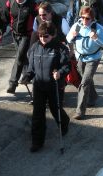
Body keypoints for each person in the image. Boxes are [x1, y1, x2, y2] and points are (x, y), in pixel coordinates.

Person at [20, 22, 71, 152]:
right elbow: (31, 68)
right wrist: (27, 77)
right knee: (38, 113)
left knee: (55, 109)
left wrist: (60, 73)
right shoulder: (34, 48)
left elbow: (67, 66)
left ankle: (64, 123)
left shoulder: (60, 48)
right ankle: (37, 141)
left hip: (54, 85)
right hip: (39, 85)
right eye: (41, 35)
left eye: (46, 36)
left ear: (52, 35)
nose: (43, 38)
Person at [66, 6, 103, 119]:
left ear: (92, 19)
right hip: (80, 58)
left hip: (93, 59)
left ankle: (80, 111)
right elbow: (68, 39)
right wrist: (72, 36)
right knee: (85, 79)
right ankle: (93, 96)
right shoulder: (77, 26)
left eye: (88, 18)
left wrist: (96, 38)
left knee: (84, 83)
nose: (85, 20)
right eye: (83, 17)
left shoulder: (98, 28)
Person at [2, 0, 38, 95]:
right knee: (23, 58)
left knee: (19, 57)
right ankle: (28, 76)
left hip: (27, 35)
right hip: (15, 35)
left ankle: (12, 83)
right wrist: (1, 32)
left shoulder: (32, 5)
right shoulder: (10, 3)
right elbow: (5, 17)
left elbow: (39, 19)